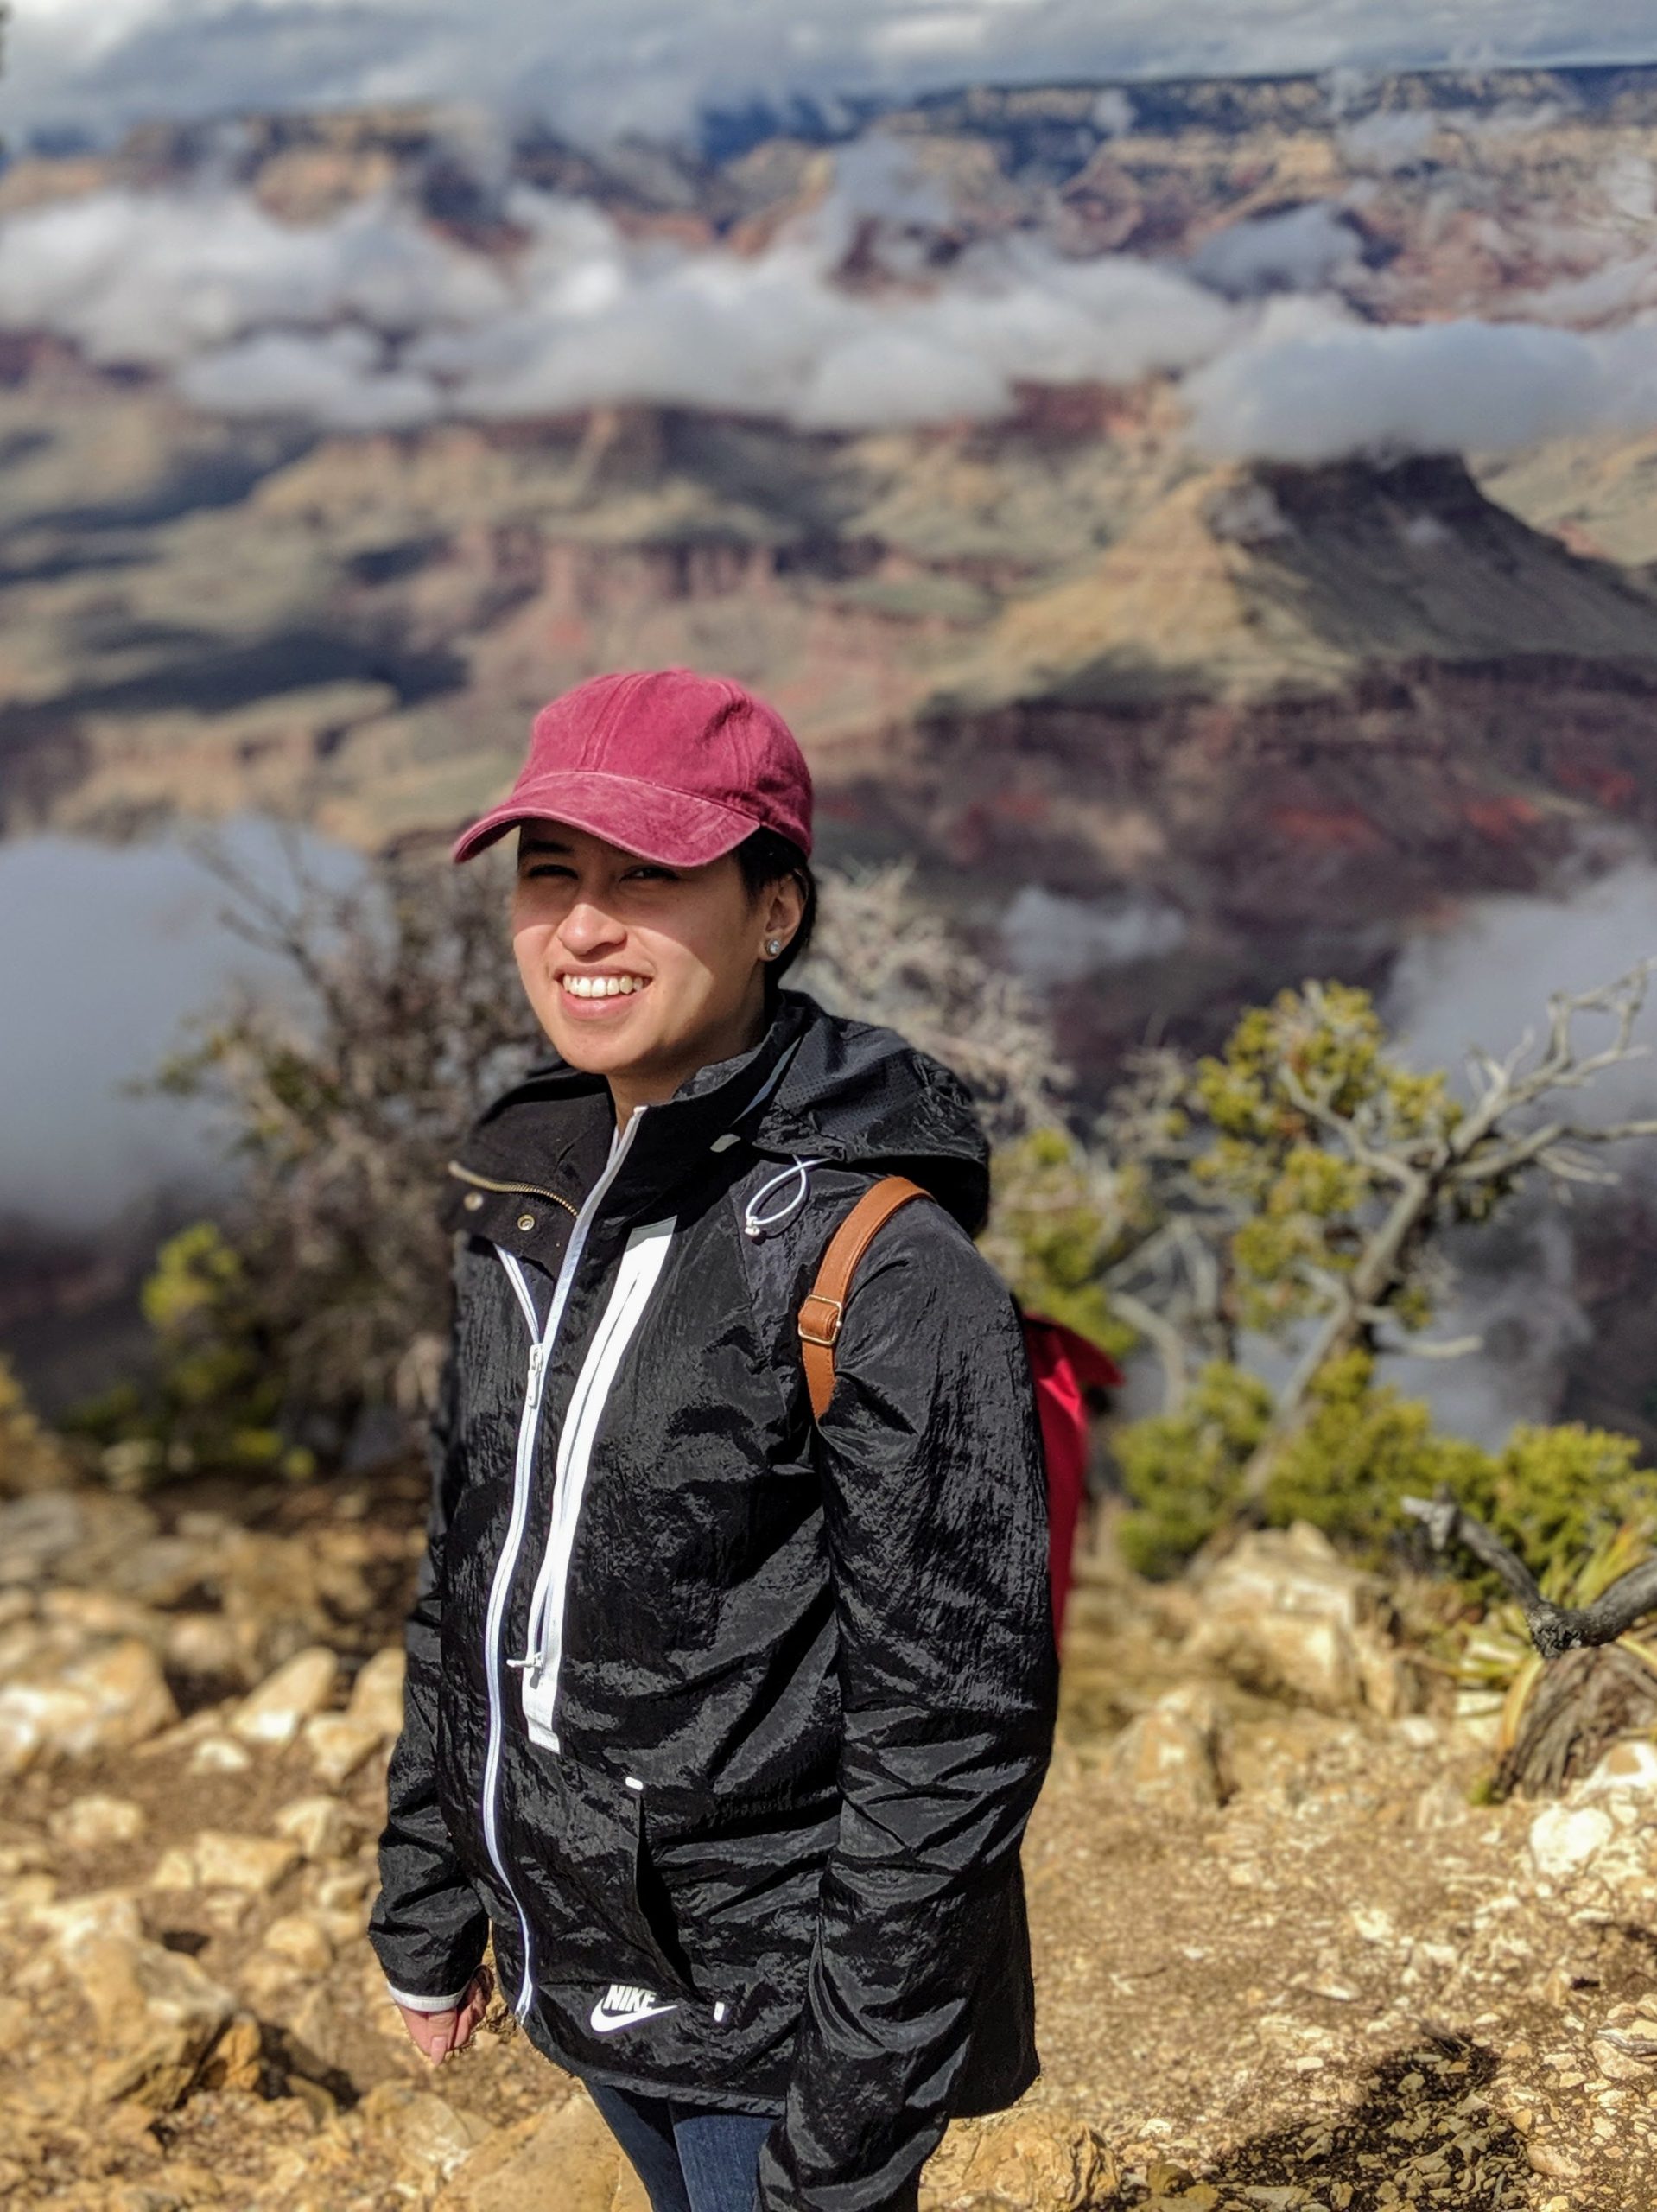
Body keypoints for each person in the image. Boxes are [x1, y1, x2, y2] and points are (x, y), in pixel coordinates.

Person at [368, 667, 1058, 2212]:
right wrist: (429, 1901)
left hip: (781, 2008)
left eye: (650, 877)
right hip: (579, 1942)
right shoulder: (526, 1206)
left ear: (772, 911)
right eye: (552, 877)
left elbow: (954, 1726)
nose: (585, 928)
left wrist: (855, 2115)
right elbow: (465, 1581)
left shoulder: (878, 1261)